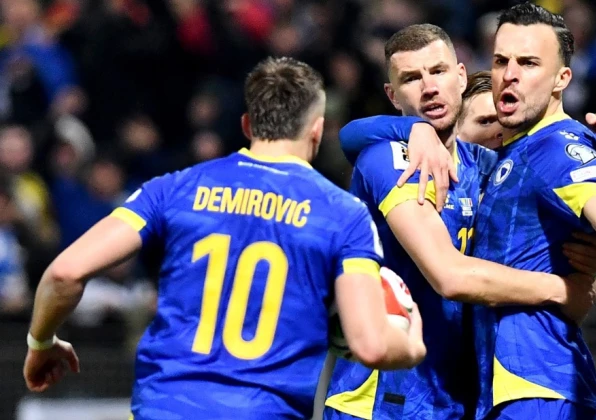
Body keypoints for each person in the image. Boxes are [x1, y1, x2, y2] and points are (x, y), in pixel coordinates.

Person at [22, 57, 427, 420]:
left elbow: (65, 273)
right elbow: (371, 345)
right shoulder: (344, 216)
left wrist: (41, 343)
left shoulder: (174, 188)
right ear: (317, 131)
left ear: (247, 125)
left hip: (164, 408)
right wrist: (413, 344)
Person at [323, 24, 596, 420]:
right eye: (411, 78)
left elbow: (559, 164)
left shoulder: (488, 169)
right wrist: (562, 290)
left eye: (438, 71)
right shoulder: (390, 159)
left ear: (460, 76)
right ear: (392, 96)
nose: (429, 87)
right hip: (382, 399)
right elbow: (451, 276)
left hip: (457, 399)